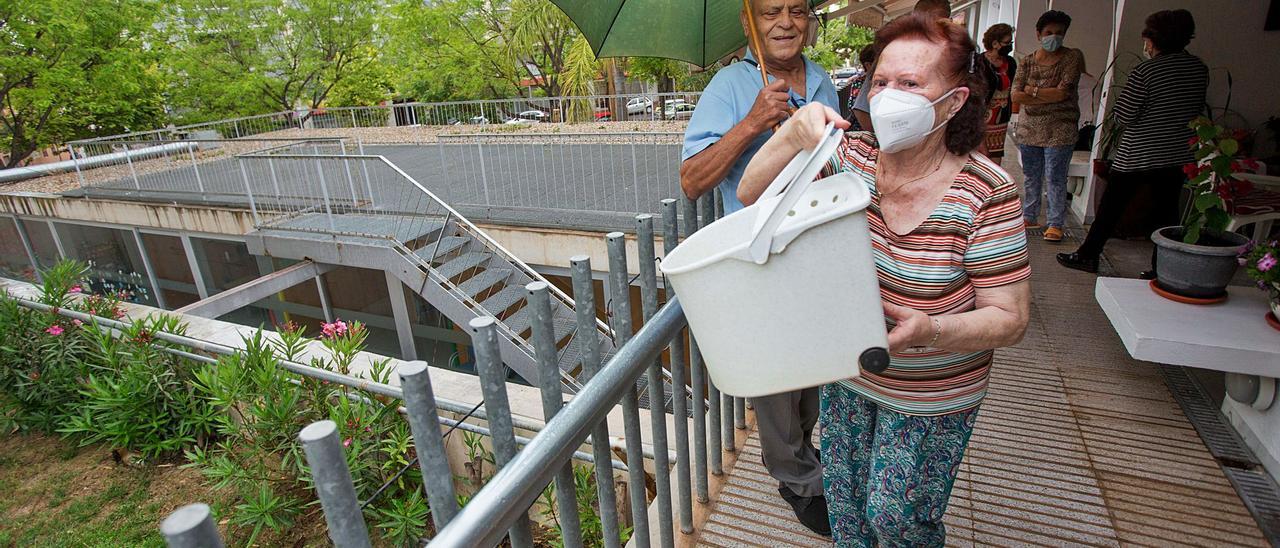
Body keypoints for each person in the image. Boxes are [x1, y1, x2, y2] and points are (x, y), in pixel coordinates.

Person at [740, 13, 1032, 545]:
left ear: (955, 101)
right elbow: (752, 195)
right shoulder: (850, 160)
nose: (889, 96)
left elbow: (1010, 319)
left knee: (897, 519)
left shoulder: (986, 190)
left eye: (911, 84)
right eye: (881, 82)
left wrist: (931, 330)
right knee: (848, 511)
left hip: (932, 391)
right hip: (850, 372)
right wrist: (791, 137)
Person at [678, 0, 839, 536]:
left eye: (797, 10)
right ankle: (795, 478)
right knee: (774, 381)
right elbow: (692, 180)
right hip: (761, 258)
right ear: (751, 23)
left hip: (818, 248)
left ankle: (807, 451)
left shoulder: (823, 81)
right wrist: (752, 122)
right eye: (771, 12)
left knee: (813, 369)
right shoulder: (728, 86)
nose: (786, 23)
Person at [1057, 9, 1208, 275]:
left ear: (1155, 40)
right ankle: (1164, 269)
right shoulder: (1198, 69)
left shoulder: (1147, 71)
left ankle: (1088, 255)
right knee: (1166, 213)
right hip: (1176, 153)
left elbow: (1125, 114)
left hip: (1138, 152)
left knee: (1111, 208)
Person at [1011, 10, 1084, 243]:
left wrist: (1031, 92)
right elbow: (1015, 94)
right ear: (1039, 34)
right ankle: (1029, 215)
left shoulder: (1072, 58)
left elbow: (1063, 93)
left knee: (1055, 176)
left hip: (1060, 128)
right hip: (1029, 128)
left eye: (1059, 33)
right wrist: (1045, 95)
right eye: (1049, 33)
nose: (1054, 37)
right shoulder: (1028, 61)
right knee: (1031, 175)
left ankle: (1055, 223)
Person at [850, 0, 952, 131]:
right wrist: (882, 137)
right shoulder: (892, 57)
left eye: (911, 83)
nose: (926, 30)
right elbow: (862, 109)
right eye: (881, 83)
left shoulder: (955, 61)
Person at [982, 23, 1017, 165]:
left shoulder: (1010, 63)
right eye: (1007, 43)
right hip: (982, 116)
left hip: (1001, 116)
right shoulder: (980, 61)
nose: (1010, 45)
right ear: (995, 43)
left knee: (996, 154)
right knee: (979, 154)